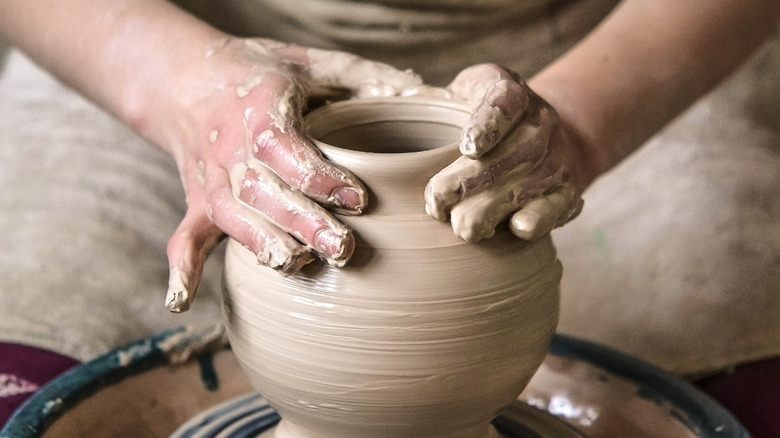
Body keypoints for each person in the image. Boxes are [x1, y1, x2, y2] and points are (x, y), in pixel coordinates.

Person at [1, 0, 778, 435]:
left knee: (733, 384)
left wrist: (577, 126)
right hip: (153, 43)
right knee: (33, 370)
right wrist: (184, 89)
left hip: (606, 51)